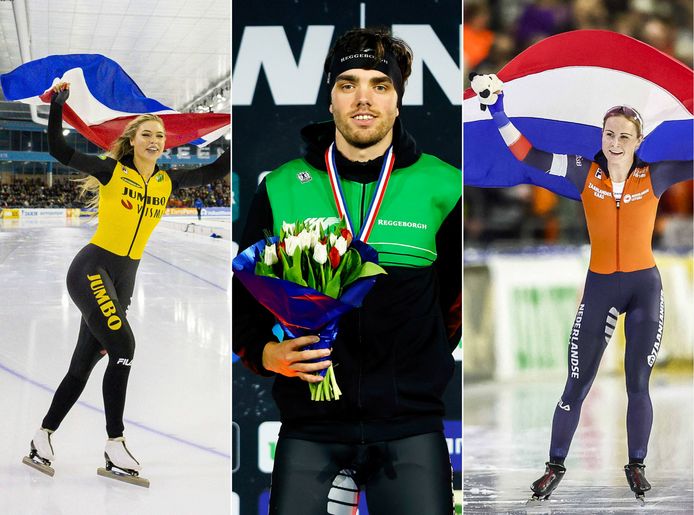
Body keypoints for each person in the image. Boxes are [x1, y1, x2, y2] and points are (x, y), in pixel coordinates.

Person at [233, 28, 462, 514]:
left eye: (381, 85)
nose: (364, 98)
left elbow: (454, 304)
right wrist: (264, 352)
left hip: (409, 427)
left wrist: (414, 366)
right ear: (331, 99)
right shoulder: (282, 187)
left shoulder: (444, 186)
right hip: (310, 427)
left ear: (398, 101)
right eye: (348, 84)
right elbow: (241, 295)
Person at [477, 75, 692, 503]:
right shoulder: (582, 171)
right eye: (609, 134)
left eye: (624, 136)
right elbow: (527, 154)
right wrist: (497, 110)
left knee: (638, 383)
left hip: (644, 287)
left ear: (638, 140)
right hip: (600, 288)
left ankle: (636, 464)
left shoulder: (656, 175)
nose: (615, 142)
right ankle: (553, 466)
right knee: (576, 384)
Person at [22, 82, 229, 486]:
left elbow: (217, 169)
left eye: (160, 136)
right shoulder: (112, 171)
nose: (154, 140)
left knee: (83, 365)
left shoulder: (166, 182)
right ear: (132, 140)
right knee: (124, 347)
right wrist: (58, 109)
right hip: (92, 270)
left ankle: (41, 437)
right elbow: (59, 152)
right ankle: (115, 443)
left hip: (124, 280)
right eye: (146, 134)